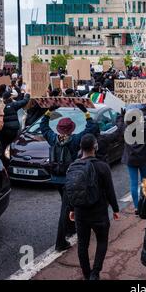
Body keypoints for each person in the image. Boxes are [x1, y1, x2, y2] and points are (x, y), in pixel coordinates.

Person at [40, 103, 98, 252]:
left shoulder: (53, 138)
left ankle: (71, 229)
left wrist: (50, 110)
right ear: (72, 128)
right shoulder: (75, 140)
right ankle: (60, 242)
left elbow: (44, 126)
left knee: (69, 205)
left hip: (55, 177)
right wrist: (85, 111)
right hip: (69, 179)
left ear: (58, 128)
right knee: (65, 209)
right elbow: (90, 127)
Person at [68, 134, 120, 280]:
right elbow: (110, 191)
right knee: (102, 241)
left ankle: (86, 274)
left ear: (80, 148)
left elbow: (71, 190)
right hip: (99, 212)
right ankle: (95, 273)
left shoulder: (73, 166)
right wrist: (115, 209)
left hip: (80, 212)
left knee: (82, 244)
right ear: (95, 147)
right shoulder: (103, 166)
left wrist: (72, 209)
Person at [122, 113, 146, 216]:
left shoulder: (125, 129)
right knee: (145, 182)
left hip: (131, 160)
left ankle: (136, 207)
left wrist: (121, 114)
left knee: (133, 183)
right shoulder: (145, 129)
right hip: (144, 159)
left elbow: (118, 124)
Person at [0, 91, 30, 161]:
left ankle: (4, 162)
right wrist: (27, 95)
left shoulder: (0, 106)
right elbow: (24, 101)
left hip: (3, 131)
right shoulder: (13, 105)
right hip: (12, 130)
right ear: (9, 97)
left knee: (4, 147)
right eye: (11, 96)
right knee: (12, 146)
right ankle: (12, 160)